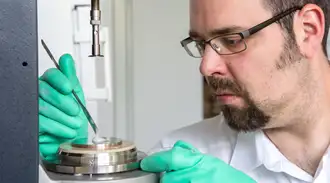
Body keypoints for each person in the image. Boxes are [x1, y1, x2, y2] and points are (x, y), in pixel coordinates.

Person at [38, 0, 330, 182]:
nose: (206, 66)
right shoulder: (179, 159)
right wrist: (71, 170)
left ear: (308, 29)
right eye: (202, 44)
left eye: (231, 39)